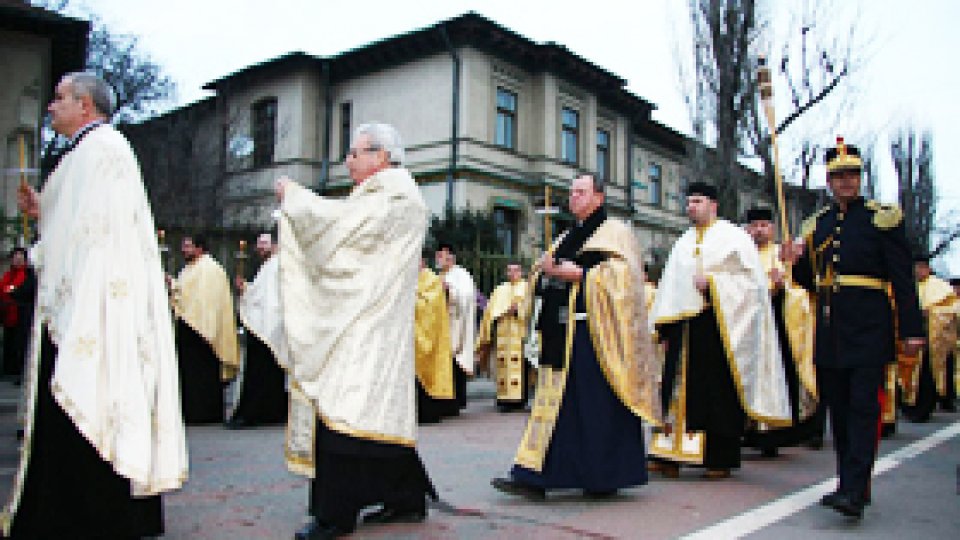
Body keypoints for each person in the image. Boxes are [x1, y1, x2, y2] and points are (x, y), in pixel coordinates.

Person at [2, 72, 187, 538]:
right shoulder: (84, 153)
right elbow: (76, 225)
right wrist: (45, 209)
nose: (51, 106)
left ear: (85, 105)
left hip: (96, 309)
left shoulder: (103, 150)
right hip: (78, 303)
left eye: (60, 98)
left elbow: (98, 239)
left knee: (89, 409)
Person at [274, 123, 436, 539]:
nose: (347, 160)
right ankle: (405, 497)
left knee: (343, 407)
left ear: (380, 156)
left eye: (354, 152)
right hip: (370, 320)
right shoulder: (385, 194)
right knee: (376, 411)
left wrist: (296, 198)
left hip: (365, 326)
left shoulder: (395, 196)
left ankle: (335, 515)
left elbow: (339, 231)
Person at [491, 174, 662, 500]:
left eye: (581, 193)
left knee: (594, 408)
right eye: (571, 193)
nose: (574, 198)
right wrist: (544, 271)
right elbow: (546, 276)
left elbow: (626, 282)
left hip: (596, 336)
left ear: (599, 196)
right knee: (554, 407)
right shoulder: (568, 236)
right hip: (561, 334)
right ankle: (533, 474)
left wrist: (582, 275)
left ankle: (602, 475)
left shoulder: (615, 233)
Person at [783, 137, 924, 519]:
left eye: (853, 175)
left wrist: (912, 329)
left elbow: (902, 280)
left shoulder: (882, 219)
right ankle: (850, 482)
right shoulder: (819, 224)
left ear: (860, 178)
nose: (846, 182)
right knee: (841, 414)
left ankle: (856, 490)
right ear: (829, 181)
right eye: (839, 176)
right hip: (831, 331)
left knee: (864, 410)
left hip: (869, 329)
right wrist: (794, 262)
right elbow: (812, 283)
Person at [649, 182, 790, 480]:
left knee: (716, 393)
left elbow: (751, 287)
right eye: (688, 202)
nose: (691, 207)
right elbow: (669, 288)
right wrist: (663, 327)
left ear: (713, 205)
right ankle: (668, 454)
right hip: (683, 330)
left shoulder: (734, 238)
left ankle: (718, 457)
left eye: (697, 201)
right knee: (673, 391)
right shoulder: (683, 241)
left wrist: (714, 284)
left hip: (719, 328)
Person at [741, 206, 819, 457]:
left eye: (763, 226)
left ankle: (774, 434)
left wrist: (781, 287)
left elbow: (802, 293)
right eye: (754, 226)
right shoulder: (741, 256)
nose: (758, 231)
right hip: (747, 329)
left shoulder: (782, 256)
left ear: (772, 229)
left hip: (778, 329)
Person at [170, 234, 239, 424]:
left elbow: (206, 302)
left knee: (203, 375)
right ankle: (191, 412)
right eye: (183, 246)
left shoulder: (210, 269)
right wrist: (173, 287)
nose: (184, 250)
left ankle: (206, 414)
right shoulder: (188, 270)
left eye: (188, 246)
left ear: (200, 248)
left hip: (204, 333)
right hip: (189, 327)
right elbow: (187, 296)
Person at [230, 232, 289, 428]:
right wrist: (245, 288)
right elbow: (259, 294)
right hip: (261, 325)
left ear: (274, 245)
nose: (260, 247)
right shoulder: (267, 266)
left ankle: (262, 412)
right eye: (259, 244)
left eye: (265, 243)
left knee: (265, 372)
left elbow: (271, 299)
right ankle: (268, 411)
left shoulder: (276, 265)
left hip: (268, 326)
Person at [900, 255, 957, 417]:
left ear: (928, 268)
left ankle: (926, 406)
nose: (918, 271)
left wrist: (930, 313)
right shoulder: (910, 286)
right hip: (912, 337)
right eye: (916, 268)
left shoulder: (941, 287)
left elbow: (951, 310)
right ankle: (908, 405)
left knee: (927, 375)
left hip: (932, 338)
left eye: (921, 267)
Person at [477, 262, 533, 411]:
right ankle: (503, 399)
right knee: (502, 367)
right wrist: (495, 321)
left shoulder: (527, 288)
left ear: (521, 272)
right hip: (502, 335)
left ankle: (519, 400)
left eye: (516, 270)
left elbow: (532, 309)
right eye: (509, 270)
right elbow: (489, 313)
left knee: (520, 368)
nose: (512, 273)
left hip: (519, 334)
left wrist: (518, 310)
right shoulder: (500, 290)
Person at [435, 243, 477, 415]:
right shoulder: (439, 275)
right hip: (441, 326)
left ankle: (455, 403)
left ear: (450, 257)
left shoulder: (461, 274)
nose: (438, 259)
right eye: (437, 255)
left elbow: (466, 297)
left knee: (454, 364)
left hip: (455, 326)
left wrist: (449, 291)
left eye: (441, 256)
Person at [414, 255, 454, 424]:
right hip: (413, 334)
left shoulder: (431, 279)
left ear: (422, 261)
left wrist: (413, 301)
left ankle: (429, 413)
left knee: (428, 375)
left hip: (428, 334)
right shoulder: (409, 279)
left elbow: (431, 306)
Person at [0, 248, 36, 384]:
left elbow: (22, 290)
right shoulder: (9, 274)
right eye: (15, 257)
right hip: (10, 312)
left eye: (20, 257)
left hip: (23, 312)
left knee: (22, 344)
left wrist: (12, 290)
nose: (17, 260)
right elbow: (4, 288)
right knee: (12, 342)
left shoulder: (28, 274)